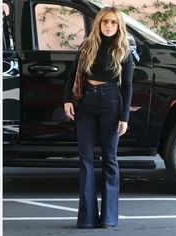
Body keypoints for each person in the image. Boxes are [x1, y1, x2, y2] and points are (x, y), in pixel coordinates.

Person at [63, 6, 134, 229]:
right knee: (85, 160)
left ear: (119, 25)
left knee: (109, 159)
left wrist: (124, 117)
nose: (109, 26)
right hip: (87, 103)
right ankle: (86, 219)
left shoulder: (123, 50)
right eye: (105, 22)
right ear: (99, 24)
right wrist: (67, 100)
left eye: (113, 22)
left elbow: (129, 86)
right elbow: (73, 74)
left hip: (111, 103)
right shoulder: (87, 46)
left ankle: (109, 218)